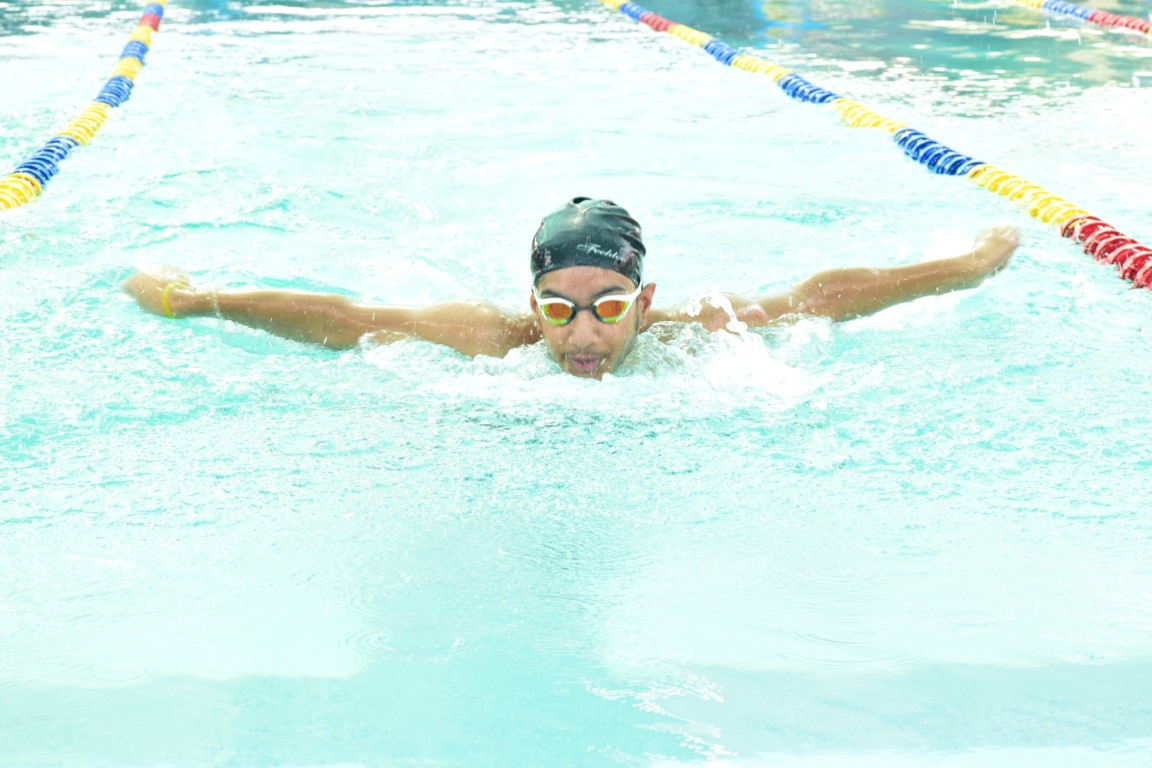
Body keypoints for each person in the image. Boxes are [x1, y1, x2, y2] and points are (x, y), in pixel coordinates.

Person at [123, 197, 1019, 379]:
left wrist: (969, 265)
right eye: (558, 310)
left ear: (644, 301)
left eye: (608, 308)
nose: (582, 336)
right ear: (532, 306)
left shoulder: (698, 332)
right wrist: (193, 300)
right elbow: (345, 319)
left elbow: (825, 296)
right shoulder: (489, 340)